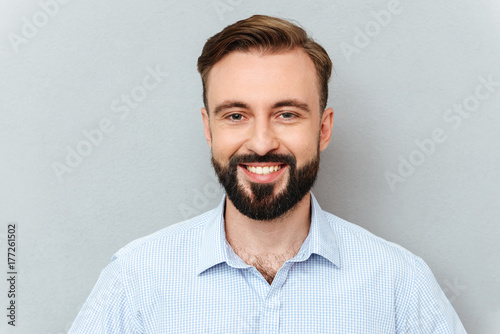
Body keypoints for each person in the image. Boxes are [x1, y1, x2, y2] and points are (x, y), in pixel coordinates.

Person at [69, 15, 467, 333]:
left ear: (323, 129)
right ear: (209, 129)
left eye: (287, 114)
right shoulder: (136, 278)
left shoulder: (400, 283)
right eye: (236, 115)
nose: (261, 143)